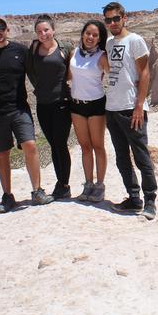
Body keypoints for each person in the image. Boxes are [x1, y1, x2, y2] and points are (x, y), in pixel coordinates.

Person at [0, 16, 53, 211]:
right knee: (3, 154)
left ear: (7, 30)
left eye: (0, 28)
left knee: (30, 145)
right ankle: (8, 196)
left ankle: (37, 191)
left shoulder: (20, 51)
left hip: (20, 108)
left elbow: (35, 74)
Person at [102, 2, 158, 220]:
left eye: (116, 18)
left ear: (124, 18)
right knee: (121, 157)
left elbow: (144, 73)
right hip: (112, 107)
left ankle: (150, 200)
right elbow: (112, 70)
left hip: (130, 107)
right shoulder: (108, 42)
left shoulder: (135, 40)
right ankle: (134, 198)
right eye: (108, 20)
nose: (113, 23)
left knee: (141, 156)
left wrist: (138, 105)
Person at [25, 15, 74, 200]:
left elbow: (72, 71)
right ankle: (61, 183)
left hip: (62, 103)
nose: (43, 34)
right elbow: (30, 71)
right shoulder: (34, 49)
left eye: (46, 30)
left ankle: (64, 184)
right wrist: (38, 88)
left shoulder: (65, 49)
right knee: (53, 145)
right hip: (43, 104)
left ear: (53, 30)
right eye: (39, 31)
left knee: (60, 144)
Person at [68, 20, 109, 202]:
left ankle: (100, 185)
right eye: (88, 33)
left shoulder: (101, 56)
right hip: (76, 104)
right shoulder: (74, 53)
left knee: (98, 146)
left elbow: (115, 76)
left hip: (96, 105)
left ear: (100, 39)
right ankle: (88, 184)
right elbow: (69, 76)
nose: (90, 37)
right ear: (82, 34)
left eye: (95, 35)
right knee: (85, 147)